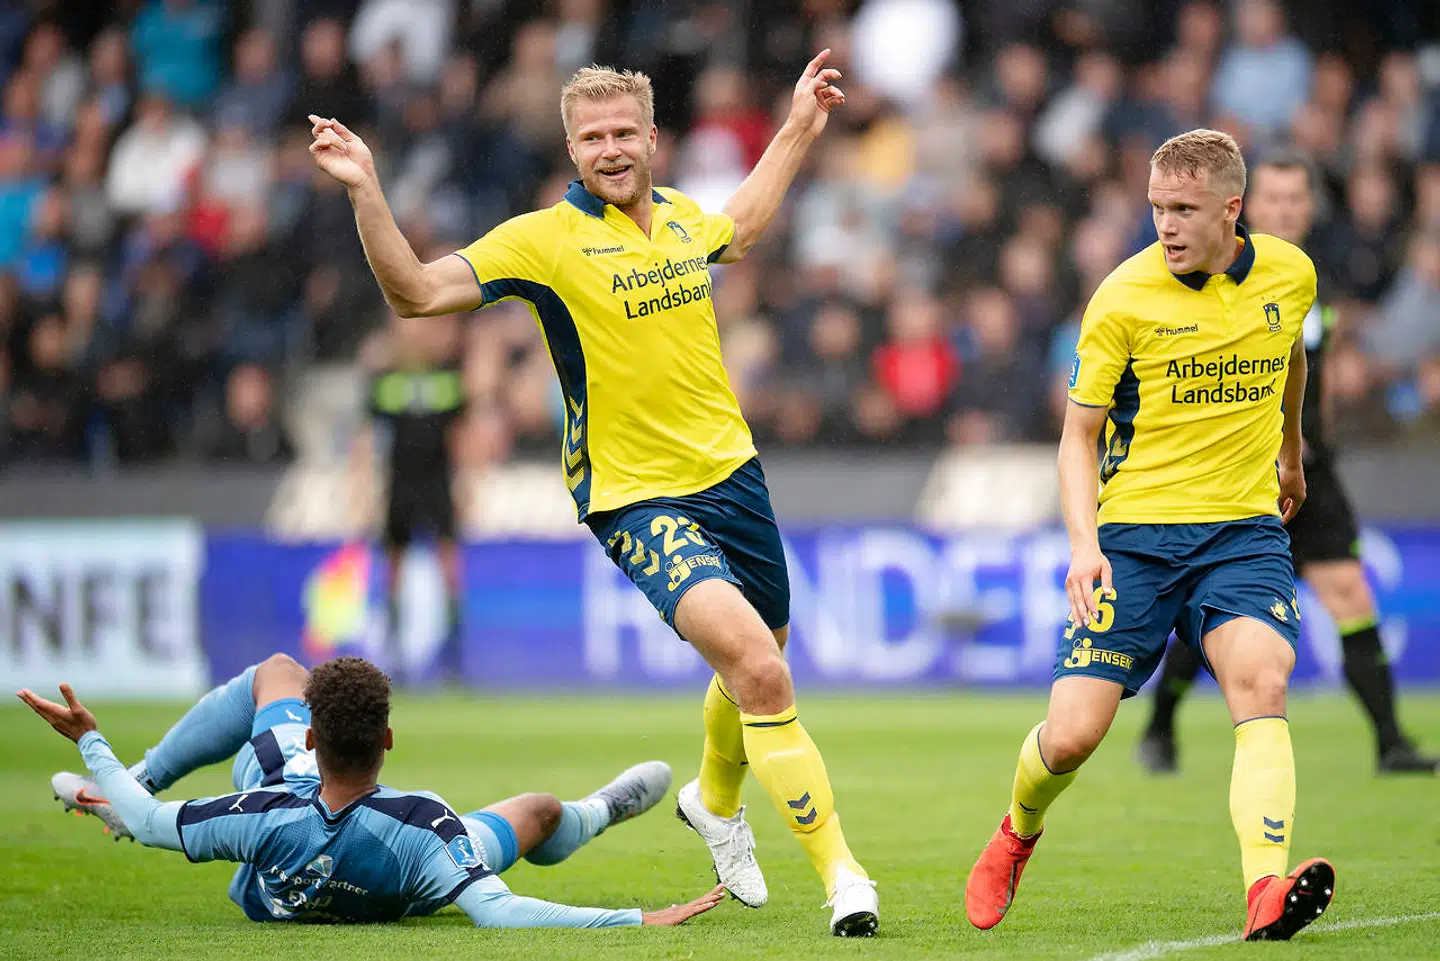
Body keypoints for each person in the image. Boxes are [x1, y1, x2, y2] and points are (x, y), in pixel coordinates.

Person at [304, 51, 878, 936]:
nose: (609, 149)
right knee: (762, 670)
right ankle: (844, 877)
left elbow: (746, 225)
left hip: (734, 474)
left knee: (759, 656)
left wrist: (799, 123)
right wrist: (364, 188)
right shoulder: (541, 241)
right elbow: (417, 294)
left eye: (622, 133)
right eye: (590, 138)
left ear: (653, 138)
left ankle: (715, 800)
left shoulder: (686, 220)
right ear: (571, 151)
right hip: (635, 497)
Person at [964, 129, 1335, 942]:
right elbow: (1076, 437)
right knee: (1070, 737)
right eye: (1157, 209)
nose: (1165, 226)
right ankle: (1018, 829)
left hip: (1240, 532)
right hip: (1132, 540)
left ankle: (1264, 890)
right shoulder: (1122, 298)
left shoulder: (1291, 274)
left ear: (1232, 209)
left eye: (1184, 210)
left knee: (1262, 684)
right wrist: (1084, 546)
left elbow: (1291, 364)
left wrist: (1291, 452)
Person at [20, 654, 721, 928]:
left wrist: (92, 741)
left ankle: (137, 773)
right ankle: (599, 811)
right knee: (542, 811)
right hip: (415, 873)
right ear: (388, 739)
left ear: (310, 740)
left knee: (276, 670)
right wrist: (636, 919)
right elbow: (501, 913)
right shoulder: (427, 823)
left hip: (275, 830)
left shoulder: (261, 810)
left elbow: (144, 826)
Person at [1137, 155, 1440, 776]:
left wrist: (1314, 443)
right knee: (1214, 611)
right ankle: (1161, 726)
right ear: (1245, 206)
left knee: (1350, 591)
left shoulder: (1306, 278)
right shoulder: (1219, 273)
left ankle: (1389, 742)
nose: (1286, 210)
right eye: (1274, 199)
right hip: (1239, 470)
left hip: (1308, 466)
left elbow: (1313, 373)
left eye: (1296, 200)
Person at [365, 315, 466, 682]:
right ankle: (394, 654)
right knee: (394, 567)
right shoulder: (385, 380)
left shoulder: (448, 378)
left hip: (438, 483)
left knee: (450, 566)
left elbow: (461, 435)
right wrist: (362, 488)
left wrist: (467, 483)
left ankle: (453, 657)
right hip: (400, 485)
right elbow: (370, 435)